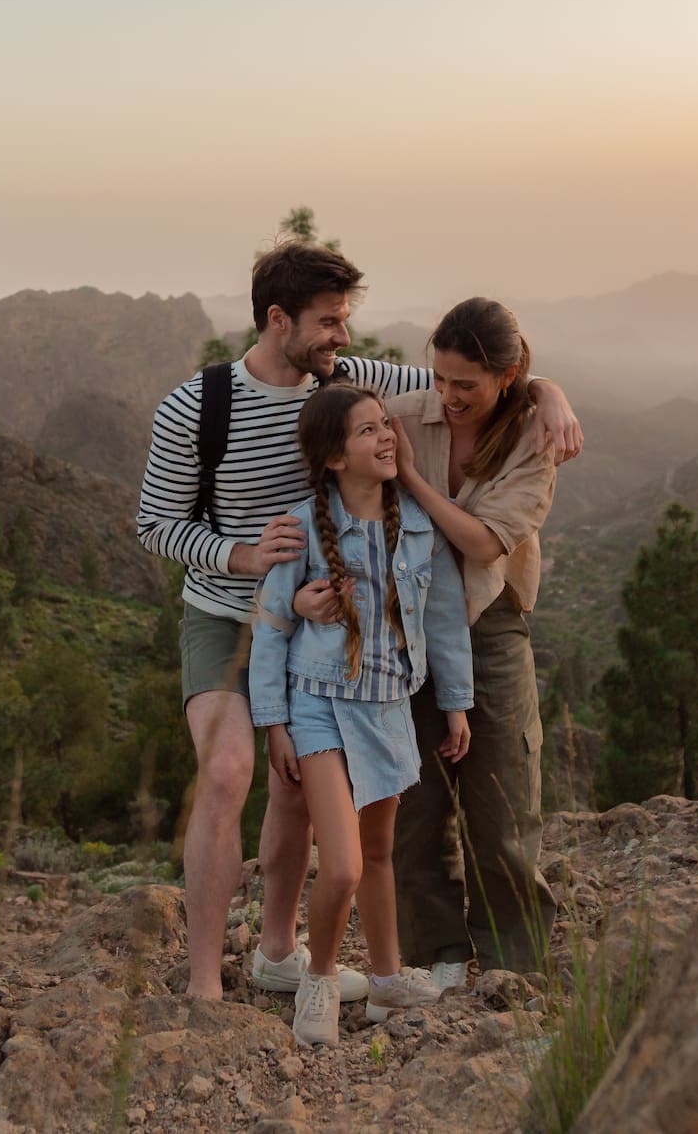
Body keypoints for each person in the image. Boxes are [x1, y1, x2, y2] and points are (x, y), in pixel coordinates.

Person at [134, 242, 584, 1000]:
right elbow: (153, 524)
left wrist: (550, 393)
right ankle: (205, 981)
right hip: (228, 613)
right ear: (280, 321)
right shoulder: (195, 407)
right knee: (227, 770)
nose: (344, 336)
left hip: (325, 633)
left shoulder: (351, 382)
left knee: (295, 792)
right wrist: (242, 556)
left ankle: (278, 952)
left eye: (346, 320)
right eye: (330, 321)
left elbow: (473, 385)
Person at [247, 384, 475, 1046]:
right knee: (341, 864)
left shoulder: (420, 527)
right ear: (332, 457)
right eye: (368, 431)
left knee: (380, 853)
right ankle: (318, 978)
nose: (387, 439)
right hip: (317, 705)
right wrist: (275, 723)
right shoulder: (301, 530)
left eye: (386, 426)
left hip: (390, 707)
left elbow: (445, 621)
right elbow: (269, 628)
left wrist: (456, 704)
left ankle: (384, 980)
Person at [386, 297, 560, 983]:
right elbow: (329, 395)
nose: (450, 397)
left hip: (489, 623)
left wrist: (411, 480)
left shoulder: (532, 441)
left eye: (468, 384)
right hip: (405, 623)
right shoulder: (405, 411)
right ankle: (433, 956)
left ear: (509, 375)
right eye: (441, 379)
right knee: (413, 802)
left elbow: (485, 543)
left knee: (503, 798)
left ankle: (512, 962)